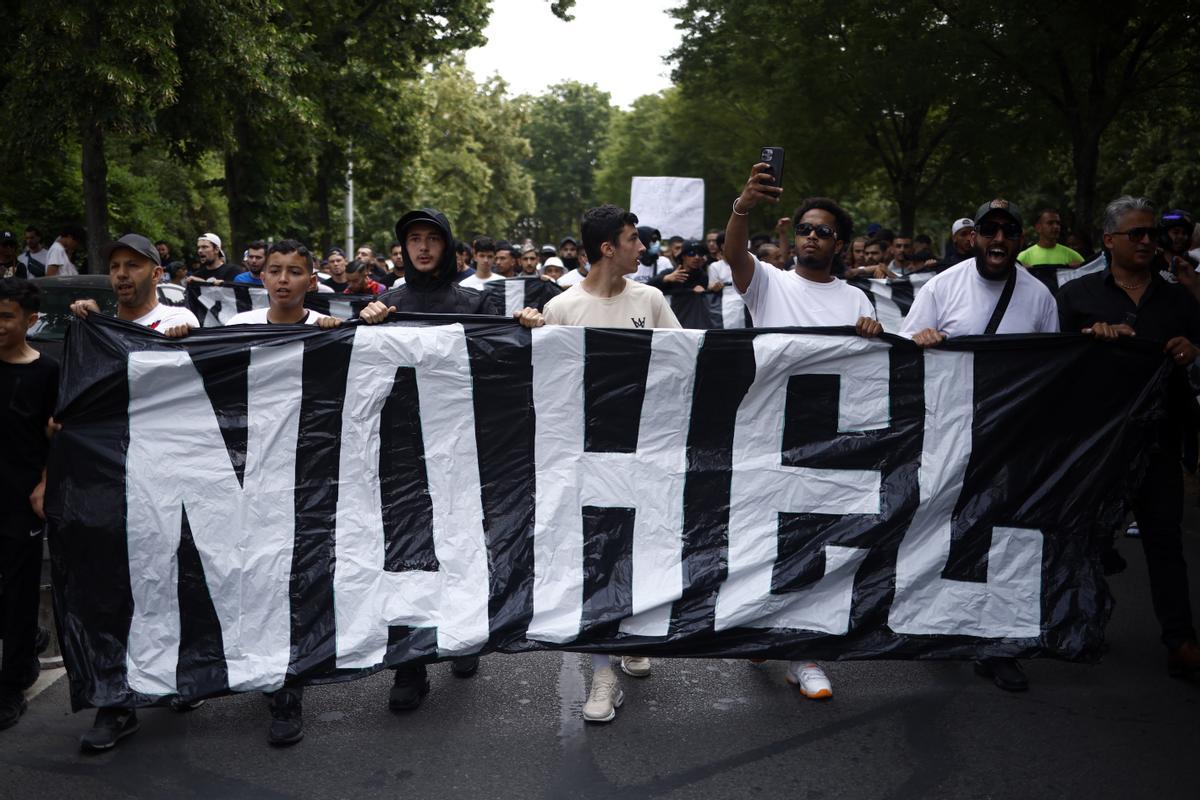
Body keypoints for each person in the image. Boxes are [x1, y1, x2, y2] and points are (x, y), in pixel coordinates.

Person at [356, 209, 542, 713]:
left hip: (460, 448)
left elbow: (502, 365)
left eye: (431, 239)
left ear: (448, 246)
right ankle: (408, 666)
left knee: (461, 543)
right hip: (400, 452)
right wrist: (364, 323)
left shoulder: (476, 303)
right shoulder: (386, 304)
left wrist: (524, 327)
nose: (421, 248)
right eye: (412, 239)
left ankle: (460, 636)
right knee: (403, 553)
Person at [726, 164, 883, 700]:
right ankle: (762, 629)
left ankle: (805, 654)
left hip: (830, 441)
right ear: (793, 235)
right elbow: (734, 254)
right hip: (766, 433)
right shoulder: (767, 282)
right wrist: (743, 207)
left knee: (816, 541)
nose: (813, 237)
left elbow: (875, 373)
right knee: (761, 540)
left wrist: (874, 335)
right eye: (806, 229)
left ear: (841, 245)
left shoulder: (858, 301)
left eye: (825, 231)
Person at [901, 199, 1057, 692]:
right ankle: (939, 624)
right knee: (942, 528)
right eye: (988, 229)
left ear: (1019, 239)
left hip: (1010, 440)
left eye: (1008, 231)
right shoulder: (941, 287)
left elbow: (1051, 369)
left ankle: (998, 645)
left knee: (1005, 537)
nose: (997, 239)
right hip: (948, 433)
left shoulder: (1039, 297)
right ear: (973, 236)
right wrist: (921, 338)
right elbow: (904, 348)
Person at [540, 205, 677, 722]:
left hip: (644, 452)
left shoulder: (652, 299)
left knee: (638, 546)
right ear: (607, 249)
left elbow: (687, 362)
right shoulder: (560, 308)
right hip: (583, 457)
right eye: (633, 239)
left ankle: (633, 633)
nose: (642, 249)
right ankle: (601, 675)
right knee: (594, 556)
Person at [1056, 195, 1200, 679]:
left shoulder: (1178, 298)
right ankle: (1070, 623)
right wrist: (1088, 340)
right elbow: (1055, 367)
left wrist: (1191, 348)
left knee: (1164, 542)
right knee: (1082, 538)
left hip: (1159, 441)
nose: (1146, 241)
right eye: (1136, 233)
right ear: (1109, 239)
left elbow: (1198, 345)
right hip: (1098, 443)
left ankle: (1180, 640)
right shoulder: (1077, 297)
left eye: (1151, 233)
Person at [68, 234, 201, 751]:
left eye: (134, 266)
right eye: (116, 266)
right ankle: (114, 702)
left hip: (168, 476)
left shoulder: (177, 322)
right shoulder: (94, 326)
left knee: (169, 580)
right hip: (107, 480)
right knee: (110, 588)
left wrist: (189, 336)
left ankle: (178, 675)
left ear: (156, 273)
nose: (122, 274)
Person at [0, 278, 57, 732]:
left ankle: (14, 681)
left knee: (20, 591)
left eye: (6, 317)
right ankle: (29, 641)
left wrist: (44, 483)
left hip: (22, 500)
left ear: (29, 320)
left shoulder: (47, 372)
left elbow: (57, 437)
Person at [648, 239, 719, 329]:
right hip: (671, 322)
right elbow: (648, 287)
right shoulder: (671, 272)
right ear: (683, 256)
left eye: (700, 254)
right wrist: (666, 278)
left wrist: (706, 290)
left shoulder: (703, 276)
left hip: (695, 324)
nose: (697, 257)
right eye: (691, 253)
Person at [1018, 209, 1083, 267]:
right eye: (1050, 223)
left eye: (1058, 223)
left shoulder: (1073, 256)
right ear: (1038, 228)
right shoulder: (1023, 257)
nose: (1056, 226)